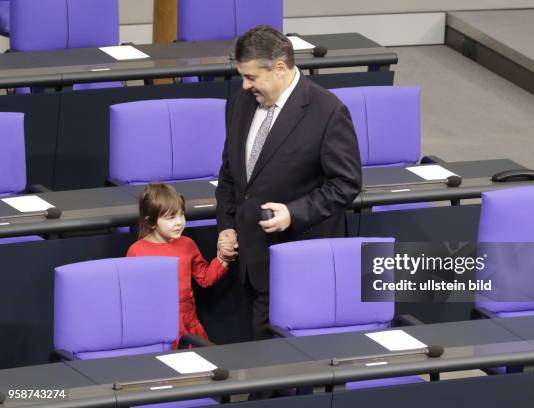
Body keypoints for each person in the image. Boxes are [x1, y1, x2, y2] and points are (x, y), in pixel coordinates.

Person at [216, 25, 362, 340]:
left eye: (252, 77)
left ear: (280, 68)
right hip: (249, 261)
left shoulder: (328, 112)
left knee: (277, 369)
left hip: (296, 261)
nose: (244, 85)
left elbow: (346, 184)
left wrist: (293, 213)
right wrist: (226, 223)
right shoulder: (241, 102)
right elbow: (230, 170)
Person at [127, 183, 231, 348]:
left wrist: (223, 258)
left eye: (181, 215)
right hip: (158, 326)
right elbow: (134, 296)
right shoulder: (137, 251)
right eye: (170, 218)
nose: (179, 222)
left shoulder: (187, 244)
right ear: (151, 221)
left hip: (189, 324)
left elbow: (205, 278)